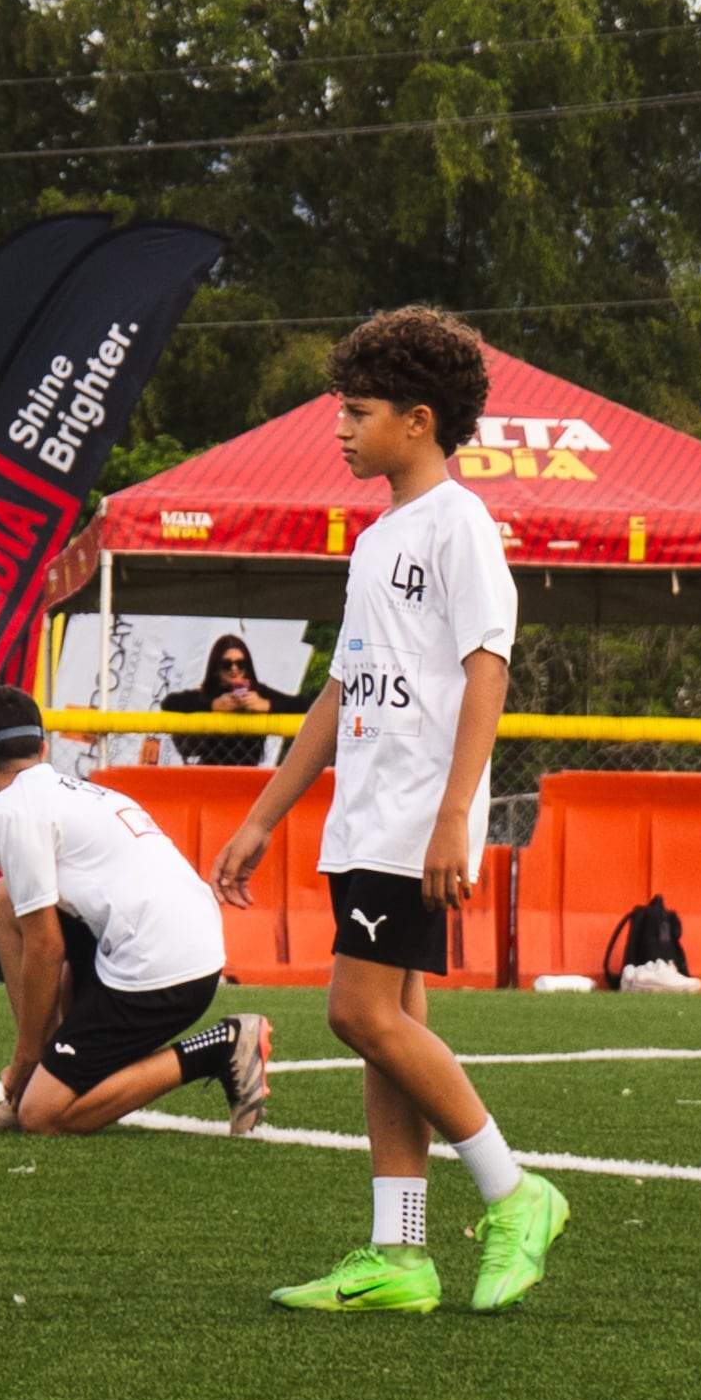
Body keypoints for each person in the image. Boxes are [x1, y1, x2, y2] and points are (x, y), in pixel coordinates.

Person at [214, 308, 568, 1316]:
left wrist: (455, 814)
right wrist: (263, 815)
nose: (340, 426)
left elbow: (486, 669)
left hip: (418, 812)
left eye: (358, 411)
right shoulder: (376, 538)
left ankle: (514, 1192)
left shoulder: (458, 526)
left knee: (356, 1012)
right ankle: (398, 1255)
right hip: (366, 812)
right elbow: (341, 691)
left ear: (418, 421)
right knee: (390, 1025)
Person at [0, 687, 271, 1138]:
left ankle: (220, 1047)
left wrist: (24, 1059)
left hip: (159, 972)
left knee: (42, 1117)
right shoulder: (78, 793)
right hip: (186, 947)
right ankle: (44, 1073)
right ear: (42, 750)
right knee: (5, 900)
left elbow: (45, 946)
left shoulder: (10, 808)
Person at [159, 634, 315, 765]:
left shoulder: (257, 692)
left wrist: (267, 705)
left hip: (249, 770)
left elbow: (305, 705)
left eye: (240, 664)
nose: (234, 669)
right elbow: (169, 702)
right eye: (227, 664)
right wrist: (213, 704)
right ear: (216, 669)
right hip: (211, 768)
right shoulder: (210, 693)